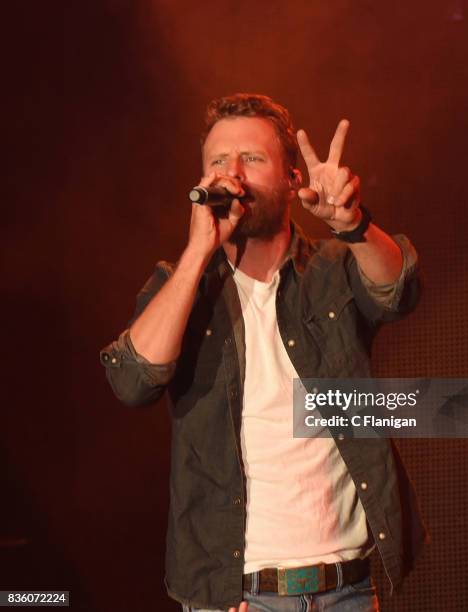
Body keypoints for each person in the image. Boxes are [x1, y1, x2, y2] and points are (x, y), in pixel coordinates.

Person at [100, 93, 427, 611]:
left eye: (250, 159)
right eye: (217, 162)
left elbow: (400, 290)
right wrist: (196, 253)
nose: (232, 174)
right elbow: (133, 380)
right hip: (239, 596)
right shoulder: (181, 285)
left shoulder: (333, 270)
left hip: (347, 588)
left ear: (293, 179)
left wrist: (353, 223)